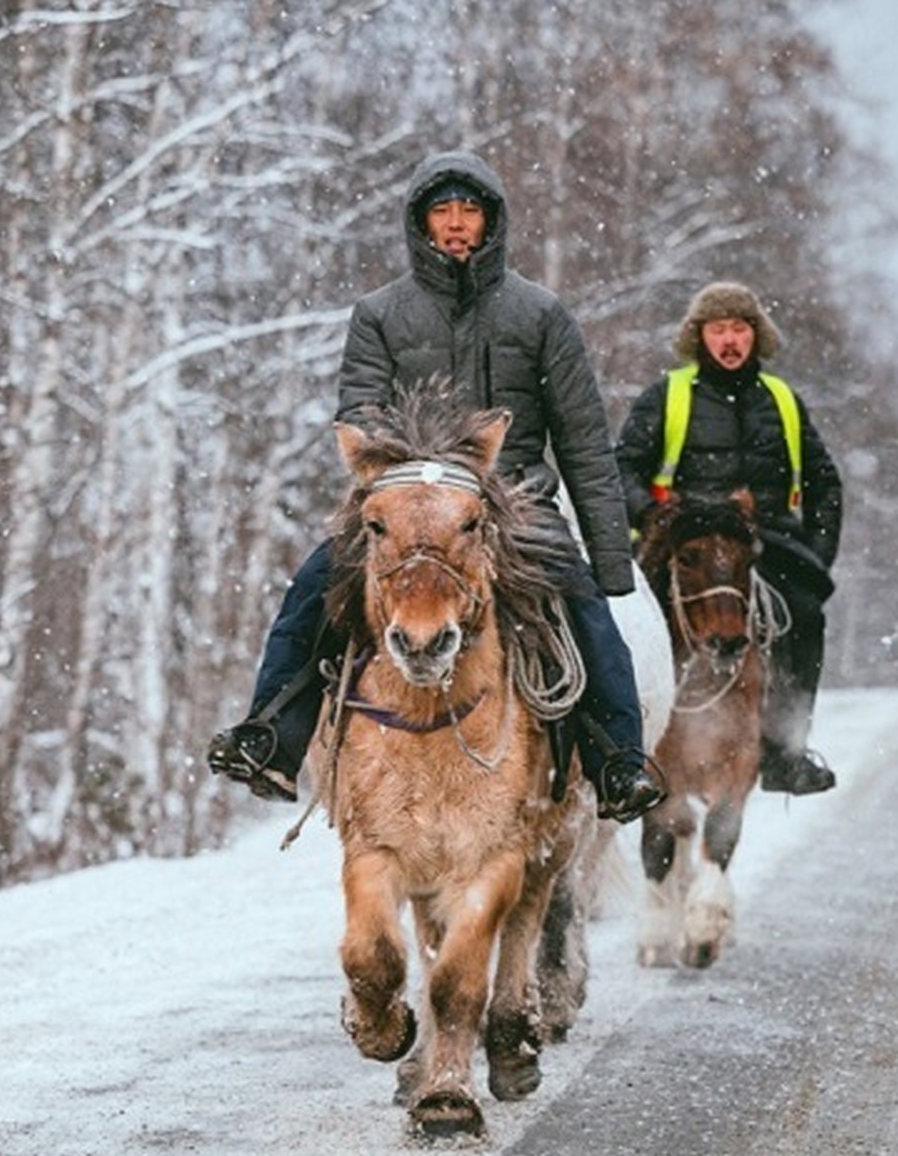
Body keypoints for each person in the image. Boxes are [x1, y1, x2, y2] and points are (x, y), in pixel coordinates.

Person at [207, 149, 665, 823]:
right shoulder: (379, 313)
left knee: (583, 607)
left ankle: (617, 760)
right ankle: (271, 737)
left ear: (492, 222)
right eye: (442, 212)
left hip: (515, 503)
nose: (455, 224)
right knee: (313, 589)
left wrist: (611, 564)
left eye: (469, 211)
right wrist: (408, 470)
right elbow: (360, 409)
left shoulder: (541, 315)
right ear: (420, 224)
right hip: (405, 503)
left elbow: (584, 444)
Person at [614, 281, 843, 794]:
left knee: (805, 615)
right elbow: (622, 466)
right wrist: (650, 514)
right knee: (625, 622)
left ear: (757, 335)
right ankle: (622, 750)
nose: (730, 340)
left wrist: (818, 556)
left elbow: (825, 483)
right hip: (680, 541)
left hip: (766, 543)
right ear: (698, 337)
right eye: (718, 329)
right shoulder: (668, 395)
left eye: (740, 328)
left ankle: (786, 753)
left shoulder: (783, 400)